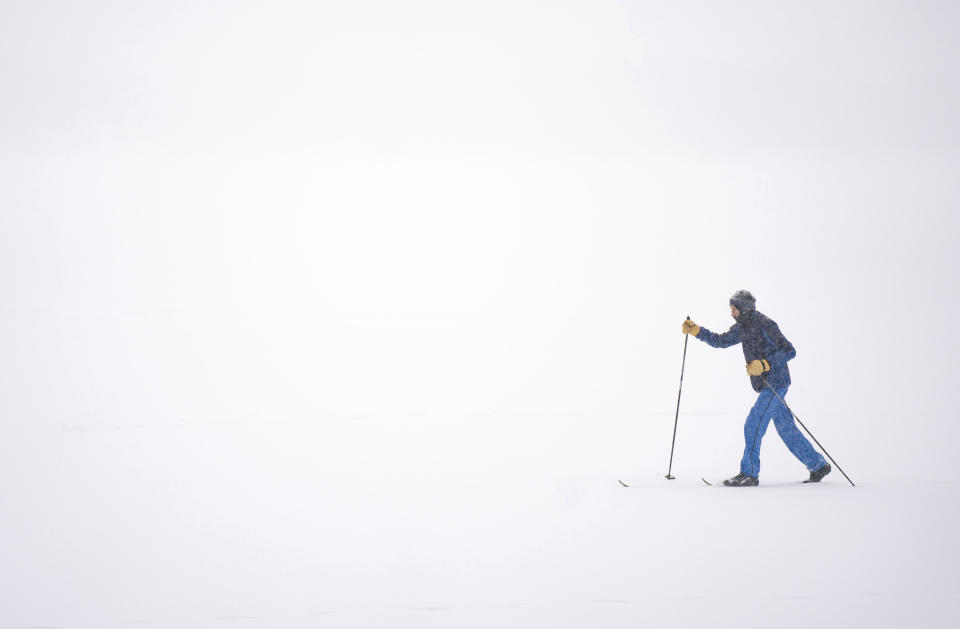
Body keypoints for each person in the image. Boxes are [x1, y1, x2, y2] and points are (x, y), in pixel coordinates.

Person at [681, 290, 831, 487]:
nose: (731, 313)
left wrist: (765, 364)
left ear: (744, 309)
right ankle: (818, 465)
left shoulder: (765, 325)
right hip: (766, 384)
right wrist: (697, 331)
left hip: (776, 382)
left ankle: (749, 474)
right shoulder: (742, 327)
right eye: (731, 309)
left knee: (753, 424)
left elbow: (789, 350)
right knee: (786, 429)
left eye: (734, 309)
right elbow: (721, 341)